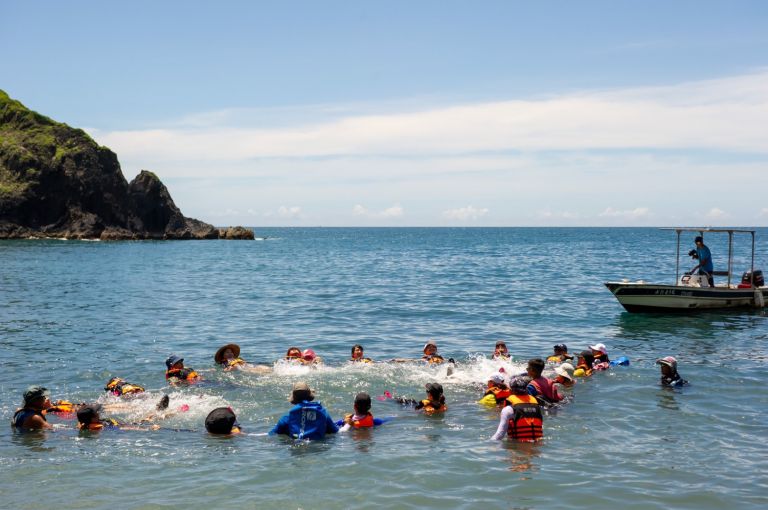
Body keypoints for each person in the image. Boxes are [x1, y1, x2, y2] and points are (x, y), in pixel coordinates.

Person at [270, 382, 339, 440]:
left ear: (294, 398)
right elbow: (335, 430)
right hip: (318, 450)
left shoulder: (288, 417)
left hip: (297, 448)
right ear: (309, 396)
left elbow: (272, 433)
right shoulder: (323, 413)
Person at [491, 377, 544, 442]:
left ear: (510, 391)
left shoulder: (508, 409)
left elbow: (500, 434)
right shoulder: (536, 406)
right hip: (537, 446)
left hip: (518, 446)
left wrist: (489, 444)